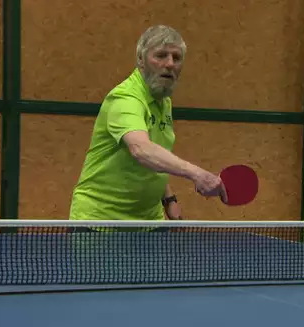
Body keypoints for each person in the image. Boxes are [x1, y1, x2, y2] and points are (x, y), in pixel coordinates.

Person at [69, 25, 227, 221]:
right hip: (102, 221)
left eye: (176, 58)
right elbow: (142, 150)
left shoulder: (163, 100)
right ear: (141, 61)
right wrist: (197, 174)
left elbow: (156, 153)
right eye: (161, 55)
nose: (170, 64)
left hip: (149, 219)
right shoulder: (125, 98)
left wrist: (168, 198)